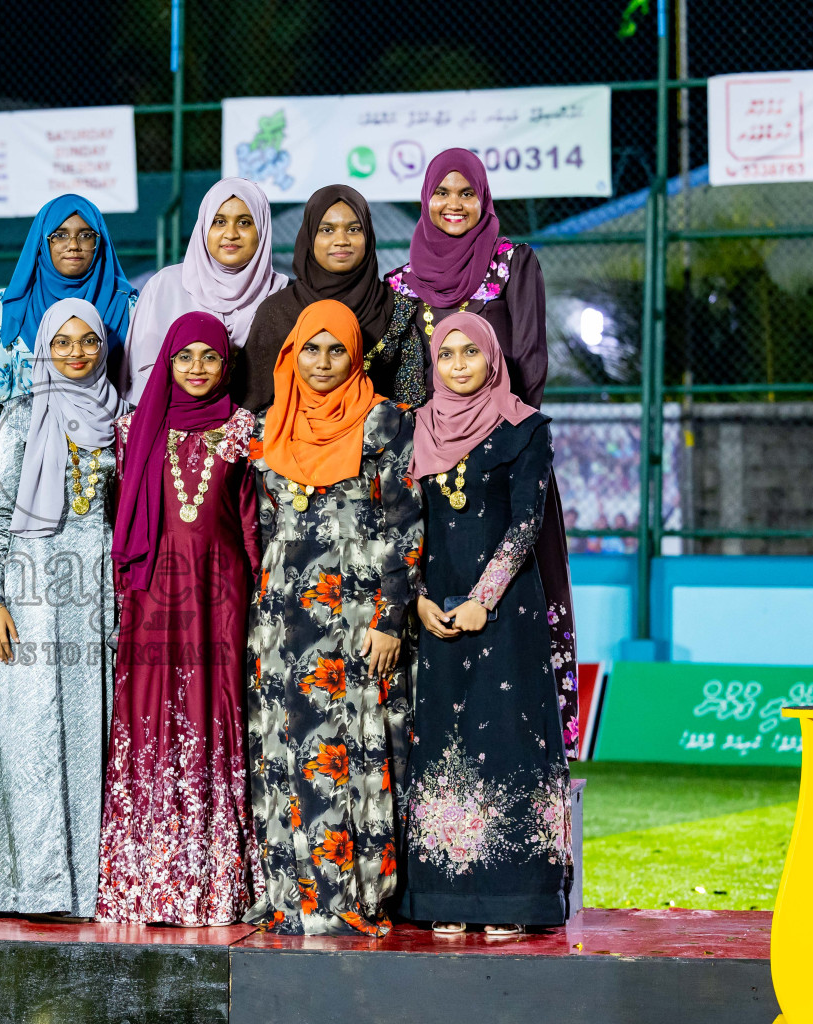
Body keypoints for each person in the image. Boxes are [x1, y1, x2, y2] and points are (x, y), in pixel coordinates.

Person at [385, 148, 579, 754]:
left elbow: (527, 367)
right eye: (440, 192)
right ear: (424, 198)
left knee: (514, 656)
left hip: (503, 470)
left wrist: (497, 448)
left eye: (465, 192)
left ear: (484, 196)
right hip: (427, 473)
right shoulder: (400, 285)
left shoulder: (513, 264)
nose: (453, 204)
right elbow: (396, 384)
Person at [245, 300, 423, 936]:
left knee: (353, 749)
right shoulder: (270, 428)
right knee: (286, 747)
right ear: (291, 355)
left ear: (356, 355)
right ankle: (290, 898)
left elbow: (406, 525)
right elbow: (261, 528)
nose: (322, 364)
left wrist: (390, 617)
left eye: (336, 350)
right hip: (280, 618)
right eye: (310, 350)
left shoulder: (383, 422)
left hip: (355, 614)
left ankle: (354, 895)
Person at [404, 311, 572, 936]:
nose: (457, 364)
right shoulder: (416, 429)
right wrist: (418, 597)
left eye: (469, 353)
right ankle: (445, 897)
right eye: (445, 354)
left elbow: (527, 520)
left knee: (504, 739)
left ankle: (514, 902)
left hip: (505, 613)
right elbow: (405, 524)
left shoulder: (525, 429)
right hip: (437, 608)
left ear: (491, 357)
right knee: (444, 744)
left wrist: (484, 597)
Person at [97, 311, 261, 926]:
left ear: (227, 366)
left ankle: (210, 884)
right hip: (149, 595)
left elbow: (251, 523)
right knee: (146, 713)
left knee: (212, 712)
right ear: (165, 363)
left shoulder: (244, 431)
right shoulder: (134, 430)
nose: (196, 369)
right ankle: (141, 883)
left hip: (220, 594)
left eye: (210, 358)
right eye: (184, 357)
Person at [0, 298, 126, 919]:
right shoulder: (19, 416)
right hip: (32, 591)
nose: (75, 354)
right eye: (61, 343)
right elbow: (1, 516)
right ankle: (33, 885)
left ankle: (88, 887)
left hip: (96, 591)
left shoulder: (121, 417)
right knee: (31, 733)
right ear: (43, 348)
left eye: (87, 342)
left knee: (91, 730)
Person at [234, 185, 418, 411]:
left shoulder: (396, 310)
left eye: (353, 229)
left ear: (368, 235)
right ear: (309, 236)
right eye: (327, 230)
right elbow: (254, 405)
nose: (341, 240)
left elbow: (412, 402)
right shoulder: (276, 312)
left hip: (378, 441)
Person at [122, 178, 287, 402]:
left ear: (263, 229)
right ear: (203, 227)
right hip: (172, 429)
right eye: (219, 222)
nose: (231, 234)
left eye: (245, 222)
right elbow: (141, 385)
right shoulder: (164, 287)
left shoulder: (282, 294)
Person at [0, 194, 137, 410]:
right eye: (60, 235)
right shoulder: (5, 305)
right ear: (42, 240)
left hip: (105, 436)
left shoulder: (127, 306)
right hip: (23, 437)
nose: (73, 245)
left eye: (86, 235)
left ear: (100, 242)